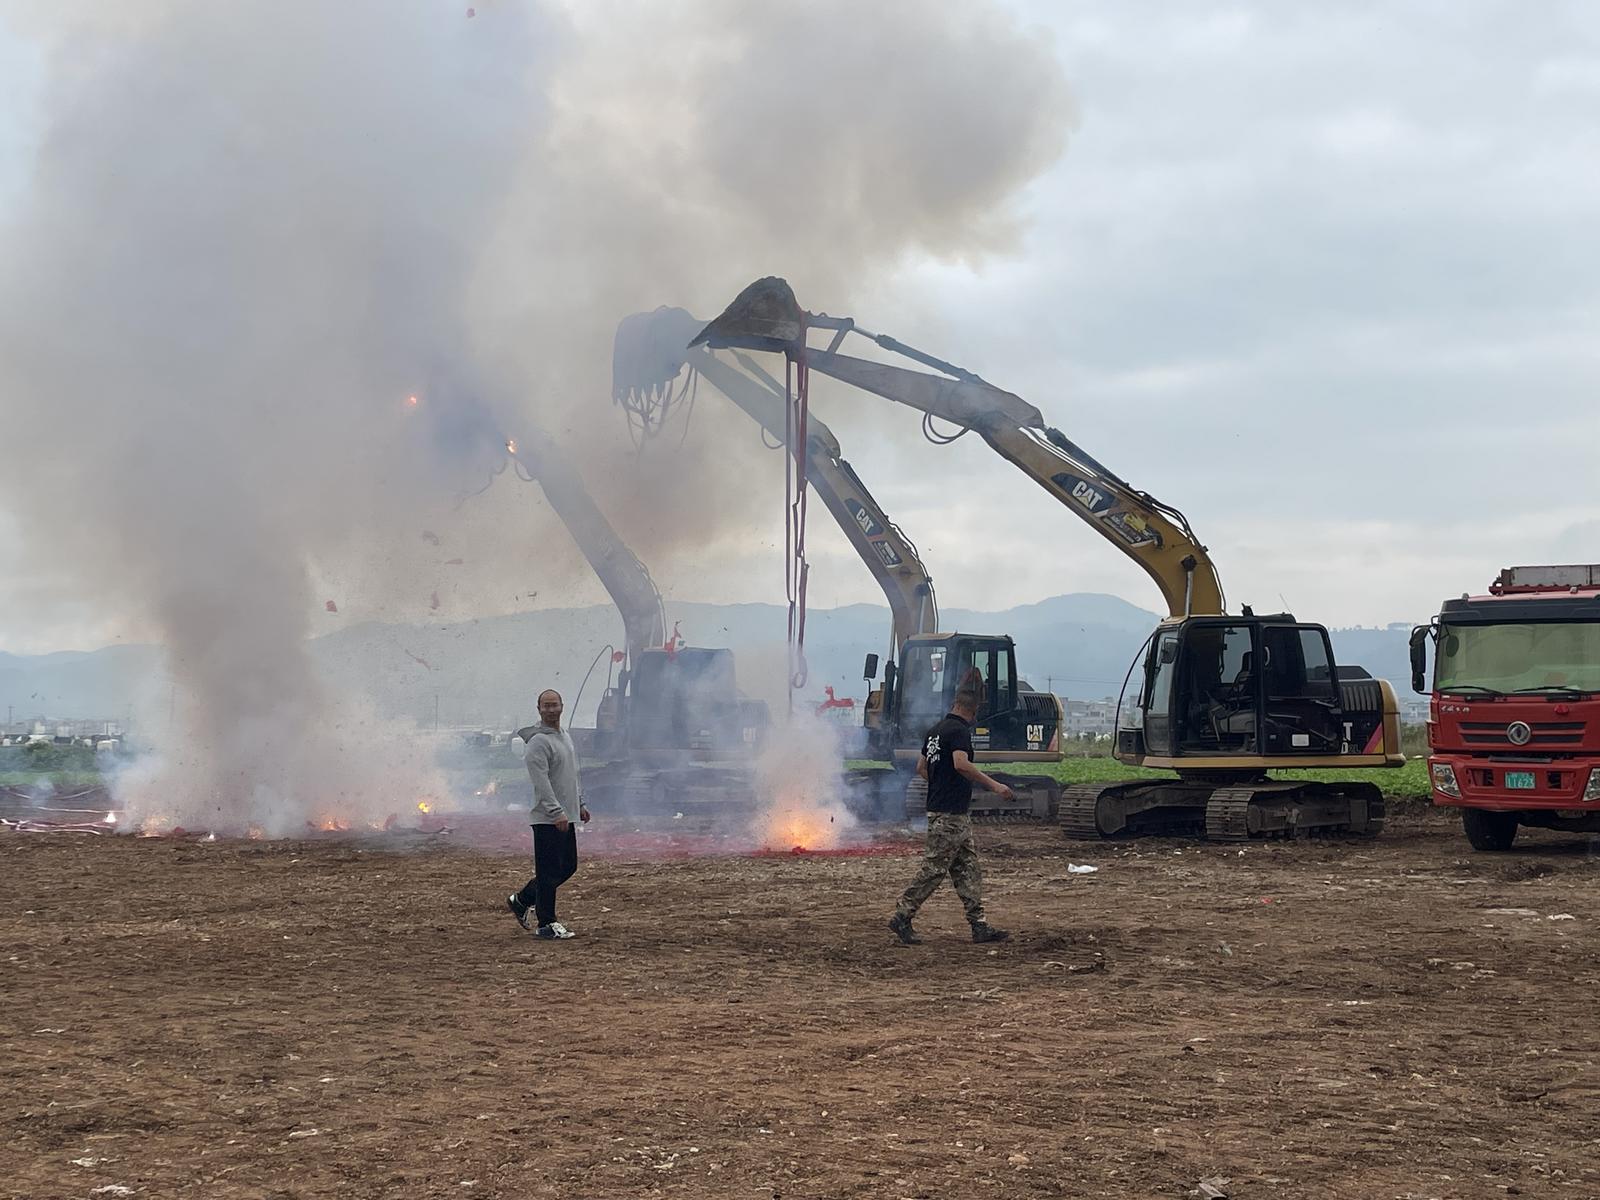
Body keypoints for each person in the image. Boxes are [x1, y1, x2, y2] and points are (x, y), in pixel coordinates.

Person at [888, 686, 1013, 945]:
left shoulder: (935, 731)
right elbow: (961, 764)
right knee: (934, 869)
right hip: (950, 815)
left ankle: (979, 925)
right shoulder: (959, 732)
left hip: (951, 812)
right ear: (973, 710)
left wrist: (940, 783)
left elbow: (921, 767)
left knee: (968, 869)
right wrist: (995, 786)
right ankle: (902, 915)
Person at [506, 689, 590, 940]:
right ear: (539, 709)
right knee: (549, 871)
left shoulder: (564, 736)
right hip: (547, 818)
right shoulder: (538, 742)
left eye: (555, 705)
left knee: (568, 866)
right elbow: (540, 781)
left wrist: (579, 804)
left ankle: (522, 899)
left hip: (567, 814)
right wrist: (555, 812)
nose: (551, 710)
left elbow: (570, 774)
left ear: (562, 706)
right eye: (546, 706)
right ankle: (546, 923)